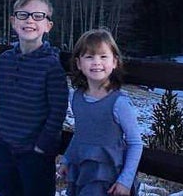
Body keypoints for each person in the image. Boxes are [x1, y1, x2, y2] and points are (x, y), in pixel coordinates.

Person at [0, 0, 68, 196]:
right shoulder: (5, 60)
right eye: (23, 15)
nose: (29, 20)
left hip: (35, 153)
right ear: (12, 21)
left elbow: (58, 111)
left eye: (38, 16)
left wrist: (42, 146)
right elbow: (2, 100)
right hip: (6, 148)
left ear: (48, 26)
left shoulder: (51, 65)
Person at [58, 29, 142, 196]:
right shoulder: (76, 98)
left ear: (114, 62)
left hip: (109, 177)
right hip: (82, 171)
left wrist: (125, 180)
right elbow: (80, 133)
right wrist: (67, 159)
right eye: (89, 56)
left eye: (103, 56)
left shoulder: (119, 103)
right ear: (79, 63)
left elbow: (135, 143)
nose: (96, 62)